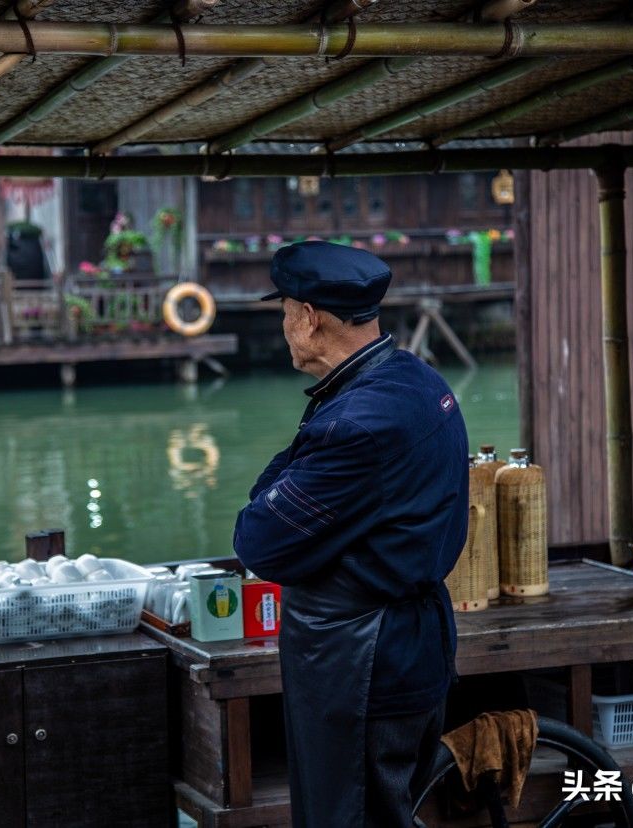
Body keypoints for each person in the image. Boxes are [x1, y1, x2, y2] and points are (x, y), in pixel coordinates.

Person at [233, 241, 469, 828]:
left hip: (364, 660)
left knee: (351, 816)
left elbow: (258, 540)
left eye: (285, 310)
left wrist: (283, 480)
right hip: (407, 642)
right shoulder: (412, 379)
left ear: (309, 317)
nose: (284, 325)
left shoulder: (357, 423)